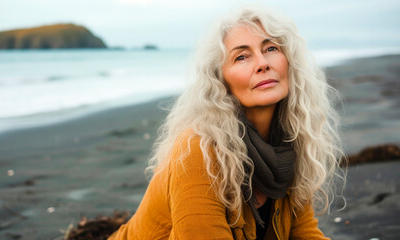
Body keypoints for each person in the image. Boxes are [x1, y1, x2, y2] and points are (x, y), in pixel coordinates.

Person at [109, 4, 344, 240]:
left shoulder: (289, 143)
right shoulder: (198, 150)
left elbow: (304, 233)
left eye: (271, 48)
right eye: (241, 57)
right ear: (220, 82)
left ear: (289, 61)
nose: (262, 63)